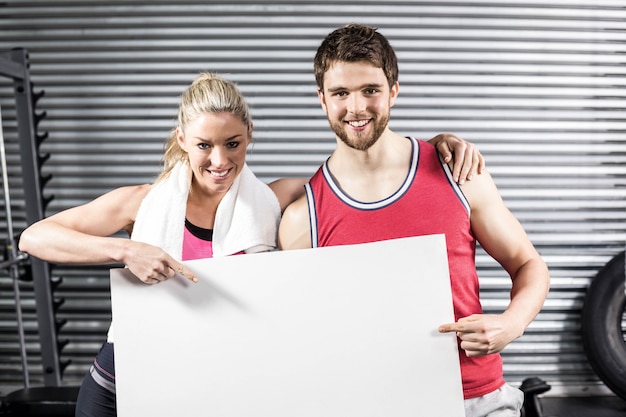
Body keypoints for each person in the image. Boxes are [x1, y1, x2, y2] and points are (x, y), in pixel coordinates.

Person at [18, 71, 482, 416]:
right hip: (121, 383)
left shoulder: (278, 197)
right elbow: (34, 236)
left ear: (249, 138)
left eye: (232, 144)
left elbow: (365, 180)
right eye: (203, 145)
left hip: (218, 389)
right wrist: (124, 250)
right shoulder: (139, 204)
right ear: (183, 140)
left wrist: (433, 150)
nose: (219, 161)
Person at [277, 23, 550, 417]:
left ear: (393, 91)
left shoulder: (457, 172)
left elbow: (529, 264)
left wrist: (511, 323)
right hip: (370, 404)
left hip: (475, 399)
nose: (356, 108)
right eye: (341, 93)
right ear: (322, 99)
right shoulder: (305, 215)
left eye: (370, 90)